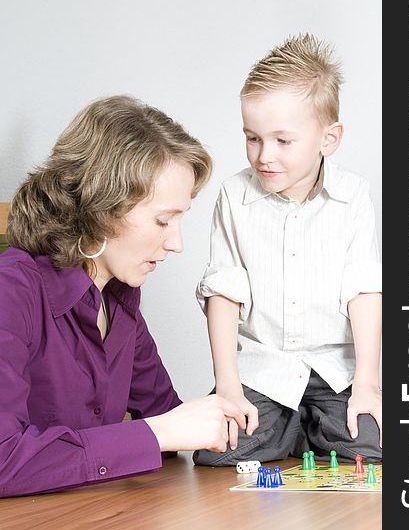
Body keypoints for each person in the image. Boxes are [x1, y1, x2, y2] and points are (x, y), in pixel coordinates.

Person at [0, 95, 246, 497]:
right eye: (163, 220)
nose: (177, 243)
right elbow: (3, 460)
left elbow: (166, 417)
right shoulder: (12, 291)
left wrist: (222, 413)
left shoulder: (119, 299)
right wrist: (158, 432)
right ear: (101, 208)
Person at [194, 33, 382, 466]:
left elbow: (364, 291)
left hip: (335, 374)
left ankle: (308, 424)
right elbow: (223, 292)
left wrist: (367, 383)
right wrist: (227, 385)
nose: (264, 156)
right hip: (265, 373)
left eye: (283, 140)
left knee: (373, 446)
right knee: (217, 451)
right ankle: (290, 427)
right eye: (252, 138)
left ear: (328, 139)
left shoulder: (353, 197)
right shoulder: (233, 196)